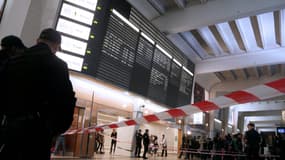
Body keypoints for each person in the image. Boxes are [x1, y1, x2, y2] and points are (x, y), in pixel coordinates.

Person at [0, 28, 76, 160]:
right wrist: (54, 131)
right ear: (57, 46)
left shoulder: (14, 61)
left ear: (38, 40)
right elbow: (67, 102)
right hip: (38, 134)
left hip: (10, 130)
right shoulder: (58, 65)